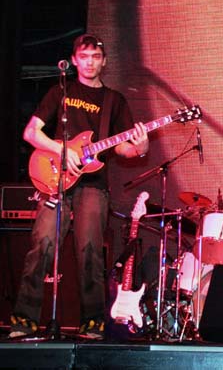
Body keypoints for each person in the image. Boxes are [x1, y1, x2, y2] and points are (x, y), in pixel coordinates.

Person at [9, 34, 149, 340]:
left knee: (90, 251)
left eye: (95, 57)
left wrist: (140, 148)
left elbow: (122, 148)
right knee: (42, 245)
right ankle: (23, 320)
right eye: (84, 57)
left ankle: (93, 323)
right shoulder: (61, 92)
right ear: (74, 61)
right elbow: (31, 133)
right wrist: (62, 149)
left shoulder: (114, 101)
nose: (89, 62)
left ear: (104, 61)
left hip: (93, 185)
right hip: (55, 180)